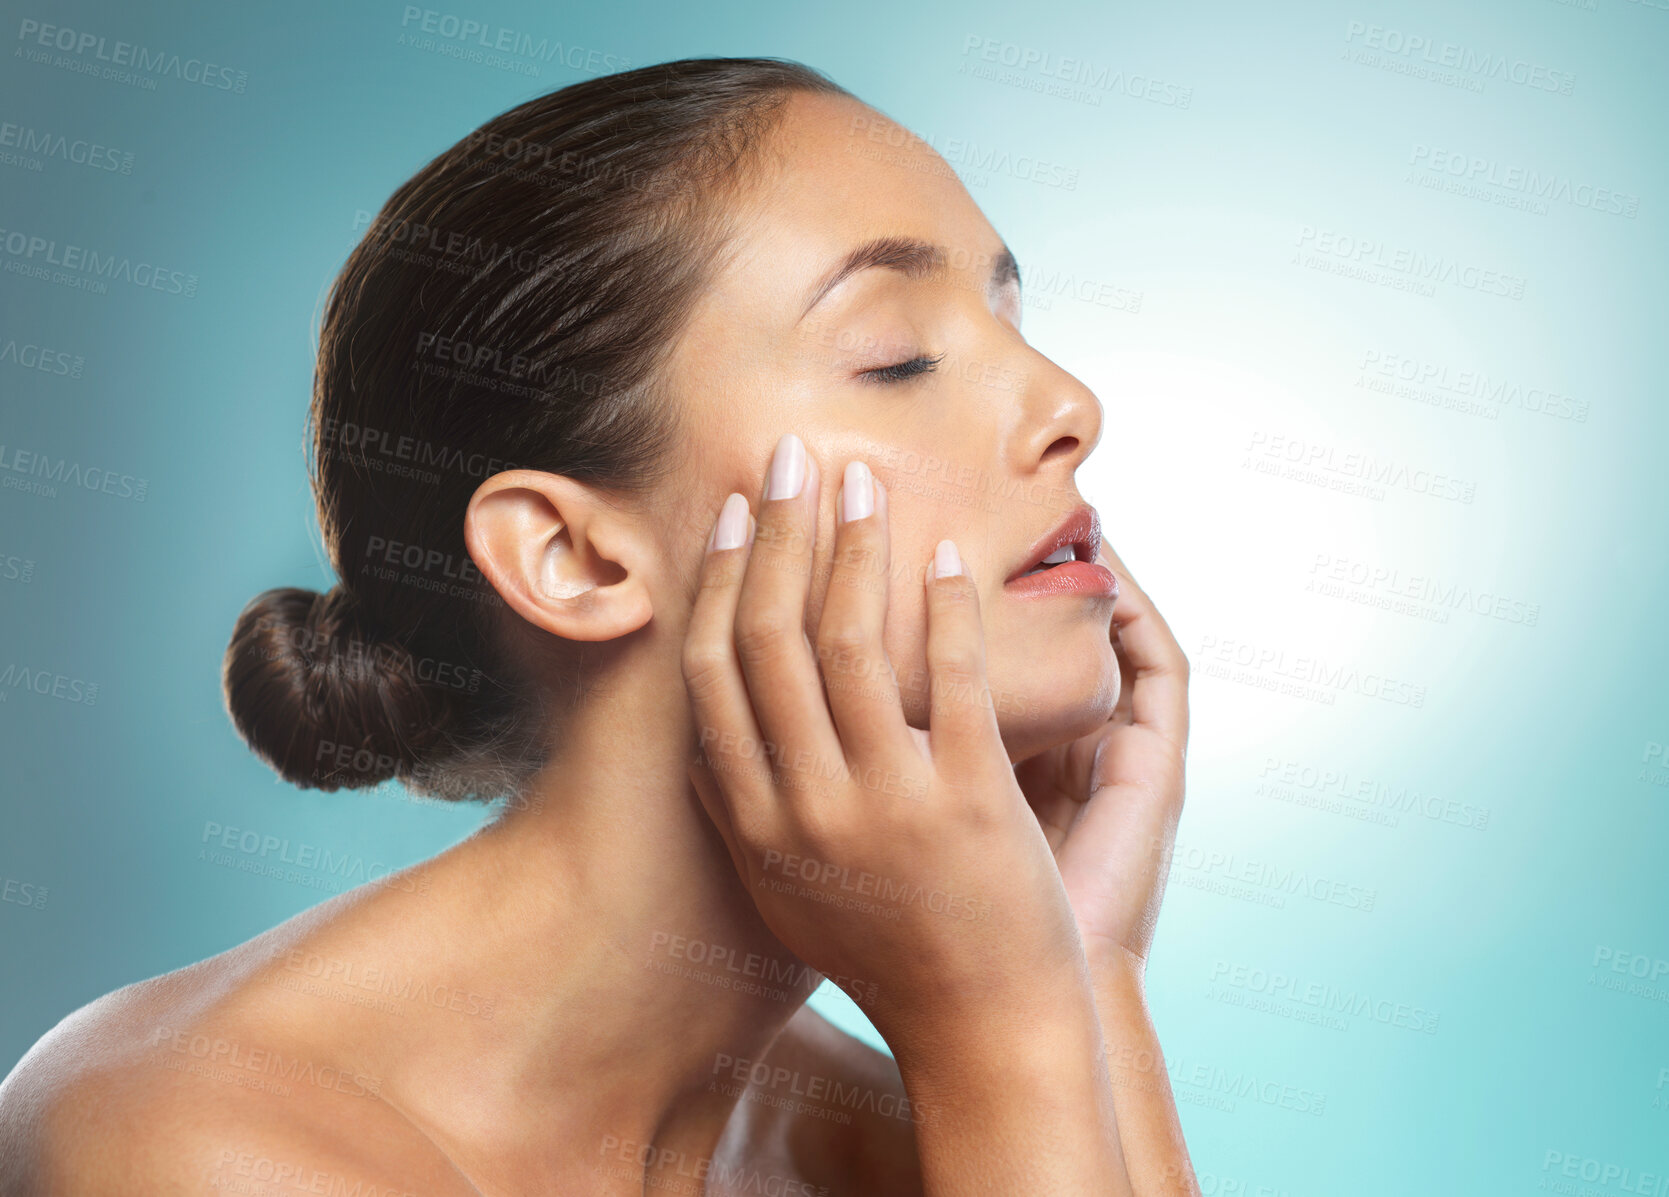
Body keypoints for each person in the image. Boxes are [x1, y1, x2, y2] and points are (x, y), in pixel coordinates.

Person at [0, 57, 1197, 1195]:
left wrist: (1080, 977)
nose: (1067, 405)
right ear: (570, 558)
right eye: (895, 357)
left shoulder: (953, 1107)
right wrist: (1005, 1030)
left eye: (1012, 321)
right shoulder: (201, 1146)